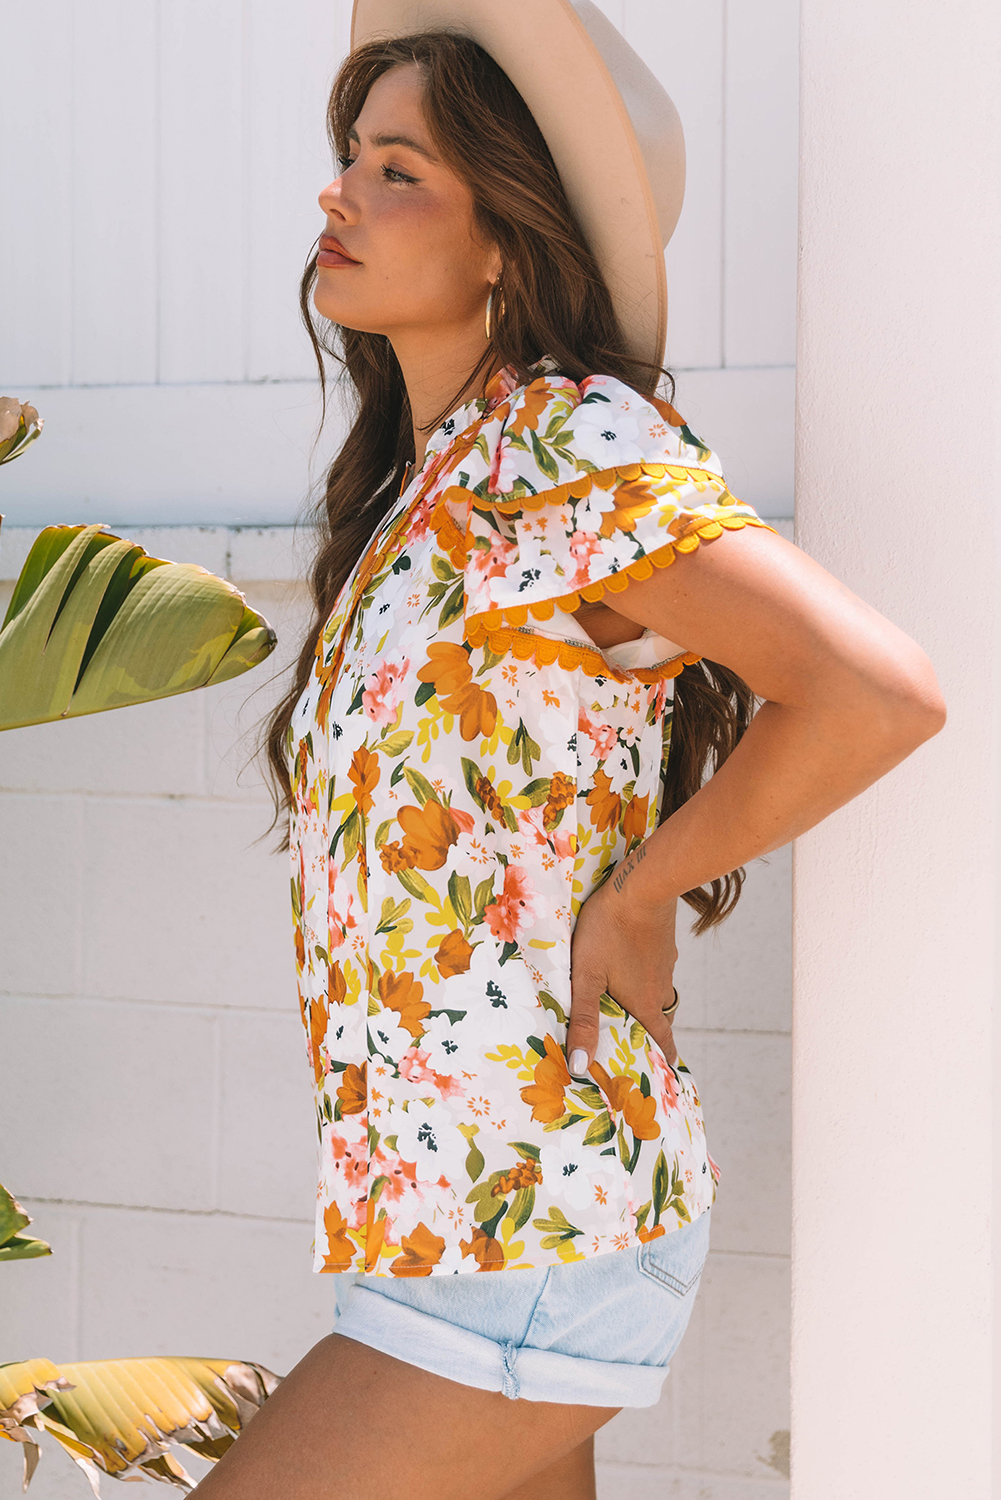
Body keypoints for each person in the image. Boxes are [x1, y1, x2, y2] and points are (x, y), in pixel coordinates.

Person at [196, 8, 945, 1499]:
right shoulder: (441, 484)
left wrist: (647, 890)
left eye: (396, 170)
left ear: (503, 240)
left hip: (526, 1240)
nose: (337, 195)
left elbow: (874, 690)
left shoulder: (562, 441)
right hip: (455, 1228)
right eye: (349, 157)